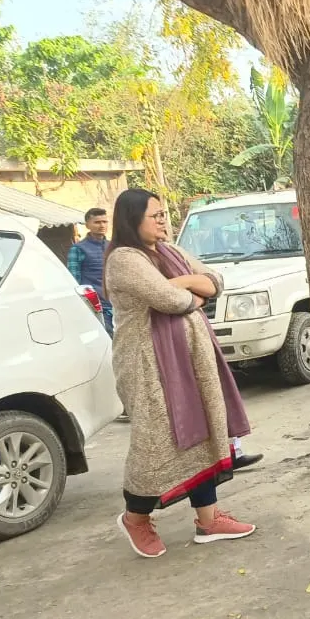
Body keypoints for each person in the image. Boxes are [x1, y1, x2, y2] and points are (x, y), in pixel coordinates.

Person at [105, 188, 256, 559]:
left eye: (163, 214)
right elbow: (172, 301)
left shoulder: (169, 252)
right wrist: (188, 288)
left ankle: (208, 520)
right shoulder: (124, 259)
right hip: (148, 365)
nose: (162, 221)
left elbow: (215, 281)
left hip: (191, 359)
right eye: (154, 216)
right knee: (154, 443)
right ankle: (135, 518)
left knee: (202, 431)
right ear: (132, 219)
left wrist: (185, 281)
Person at [68, 206, 114, 335]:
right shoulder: (78, 249)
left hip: (118, 305)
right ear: (88, 225)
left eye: (104, 222)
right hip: (96, 308)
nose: (102, 225)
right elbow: (74, 281)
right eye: (97, 222)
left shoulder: (113, 246)